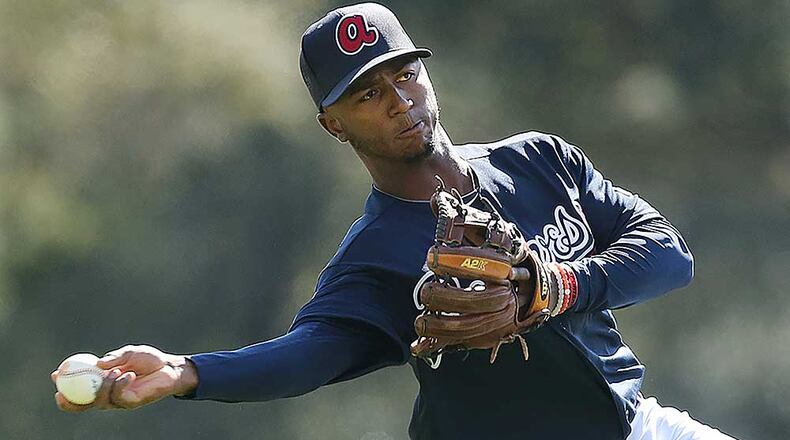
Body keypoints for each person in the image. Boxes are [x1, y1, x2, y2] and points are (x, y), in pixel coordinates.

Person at [52, 3, 735, 439]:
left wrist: (554, 286)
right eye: (368, 94)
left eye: (403, 74)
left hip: (638, 427)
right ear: (333, 125)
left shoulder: (538, 159)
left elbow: (668, 253)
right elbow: (306, 357)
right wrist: (187, 371)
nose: (398, 99)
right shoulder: (376, 257)